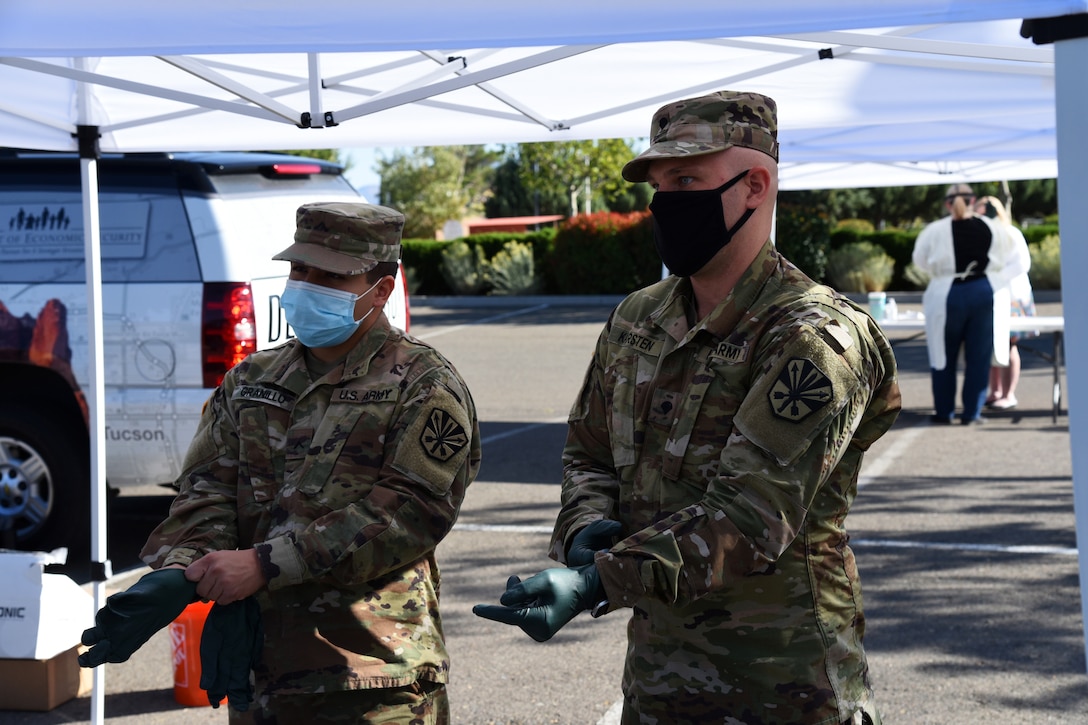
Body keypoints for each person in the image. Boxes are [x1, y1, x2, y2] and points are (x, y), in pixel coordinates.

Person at [473, 91, 901, 725]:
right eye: (659, 184)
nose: (665, 202)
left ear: (755, 185)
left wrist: (598, 582)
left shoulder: (812, 336)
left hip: (784, 689)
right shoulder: (638, 318)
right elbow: (588, 450)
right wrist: (587, 529)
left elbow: (751, 518)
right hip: (658, 685)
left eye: (686, 180)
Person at [80, 202, 481, 724]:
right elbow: (207, 492)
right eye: (299, 269)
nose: (305, 285)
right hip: (261, 677)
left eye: (329, 275)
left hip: (373, 683)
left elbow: (406, 517)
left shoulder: (424, 385)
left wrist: (264, 565)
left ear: (380, 291)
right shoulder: (251, 381)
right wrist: (184, 569)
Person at [912, 184, 1025, 425]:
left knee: (943, 356)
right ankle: (971, 412)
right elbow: (1015, 258)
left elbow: (919, 261)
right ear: (972, 200)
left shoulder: (934, 230)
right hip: (985, 292)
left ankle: (944, 412)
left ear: (947, 203)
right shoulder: (993, 227)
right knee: (979, 357)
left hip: (946, 293)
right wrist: (997, 278)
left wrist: (940, 271)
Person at [974, 195, 1035, 410]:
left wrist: (996, 278)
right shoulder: (985, 234)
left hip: (1013, 297)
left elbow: (1022, 263)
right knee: (993, 345)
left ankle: (1009, 394)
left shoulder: (1011, 232)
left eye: (981, 211)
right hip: (994, 296)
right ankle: (996, 391)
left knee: (1008, 345)